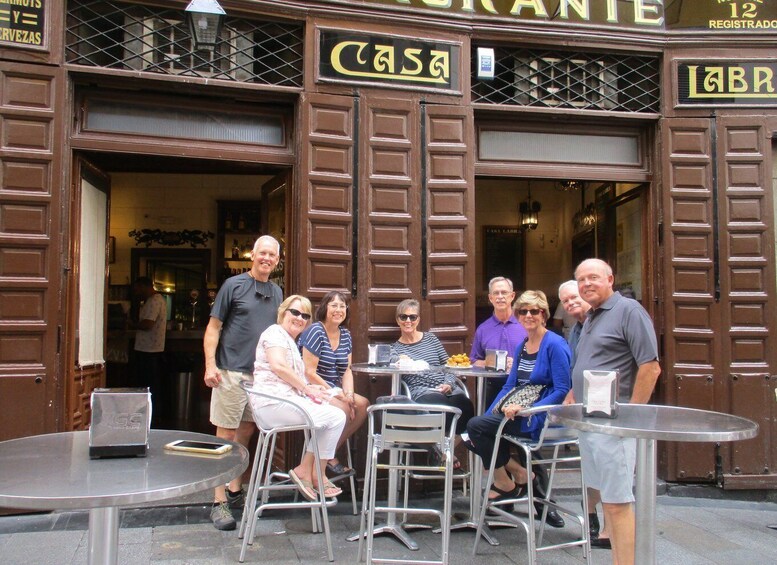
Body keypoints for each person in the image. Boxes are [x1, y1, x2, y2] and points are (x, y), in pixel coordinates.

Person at [564, 259, 661, 565]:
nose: (586, 284)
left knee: (618, 503)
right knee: (609, 500)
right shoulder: (592, 316)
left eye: (593, 277)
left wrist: (630, 415)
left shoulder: (628, 311)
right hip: (592, 422)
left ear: (610, 279)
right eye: (581, 279)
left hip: (614, 425)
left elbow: (650, 367)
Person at [466, 290, 568, 528]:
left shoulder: (555, 344)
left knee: (477, 429)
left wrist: (530, 409)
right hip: (516, 411)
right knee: (475, 434)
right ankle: (519, 477)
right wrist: (492, 414)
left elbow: (562, 389)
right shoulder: (523, 345)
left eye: (534, 311)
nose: (528, 315)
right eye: (523, 311)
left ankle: (515, 488)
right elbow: (510, 385)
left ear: (544, 314)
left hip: (538, 415)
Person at [203, 235, 283, 531]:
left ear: (277, 260)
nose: (266, 258)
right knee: (225, 434)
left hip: (260, 375)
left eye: (272, 255)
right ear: (252, 255)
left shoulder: (277, 292)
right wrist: (210, 365)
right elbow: (213, 328)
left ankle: (235, 489)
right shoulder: (233, 285)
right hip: (231, 371)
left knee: (247, 431)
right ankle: (218, 500)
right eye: (262, 253)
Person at [249, 295, 346, 501]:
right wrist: (307, 389)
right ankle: (313, 473)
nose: (300, 318)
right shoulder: (275, 333)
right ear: (282, 312)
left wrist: (312, 389)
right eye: (295, 312)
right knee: (335, 417)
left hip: (284, 402)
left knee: (334, 413)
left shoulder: (290, 340)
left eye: (305, 315)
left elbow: (292, 376)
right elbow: (278, 366)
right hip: (273, 404)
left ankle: (307, 470)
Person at [391, 298, 474, 467]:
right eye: (403, 317)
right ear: (397, 320)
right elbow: (392, 363)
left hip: (446, 387)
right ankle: (442, 451)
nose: (408, 321)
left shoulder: (431, 339)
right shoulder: (395, 349)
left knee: (466, 406)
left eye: (413, 317)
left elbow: (448, 365)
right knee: (437, 405)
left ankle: (443, 450)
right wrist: (400, 359)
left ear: (418, 319)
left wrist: (449, 383)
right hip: (421, 391)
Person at [559, 279, 609, 548]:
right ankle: (591, 522)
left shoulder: (602, 321)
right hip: (585, 405)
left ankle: (609, 529)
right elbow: (576, 365)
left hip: (605, 404)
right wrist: (571, 391)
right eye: (565, 301)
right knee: (590, 463)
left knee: (606, 464)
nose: (570, 303)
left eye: (574, 297)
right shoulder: (577, 329)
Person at [300, 291, 369, 477]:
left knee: (362, 405)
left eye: (342, 306)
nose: (338, 310)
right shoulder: (316, 331)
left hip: (333, 388)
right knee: (344, 409)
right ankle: (318, 464)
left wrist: (349, 395)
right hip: (311, 388)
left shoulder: (345, 334)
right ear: (325, 308)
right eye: (334, 305)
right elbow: (309, 372)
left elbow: (347, 370)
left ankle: (327, 454)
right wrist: (338, 396)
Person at [469, 276, 528, 407]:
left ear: (512, 296)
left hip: (523, 385)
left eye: (504, 292)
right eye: (496, 293)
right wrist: (492, 363)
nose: (500, 297)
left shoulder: (526, 324)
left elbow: (540, 357)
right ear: (490, 298)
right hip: (492, 388)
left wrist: (517, 362)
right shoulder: (483, 329)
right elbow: (473, 361)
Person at [131, 276, 167, 419]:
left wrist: (133, 325)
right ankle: (150, 413)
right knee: (149, 383)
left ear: (144, 287)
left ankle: (151, 414)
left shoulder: (154, 301)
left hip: (149, 349)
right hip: (148, 348)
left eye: (137, 289)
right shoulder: (152, 300)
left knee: (149, 384)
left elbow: (148, 324)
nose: (136, 293)